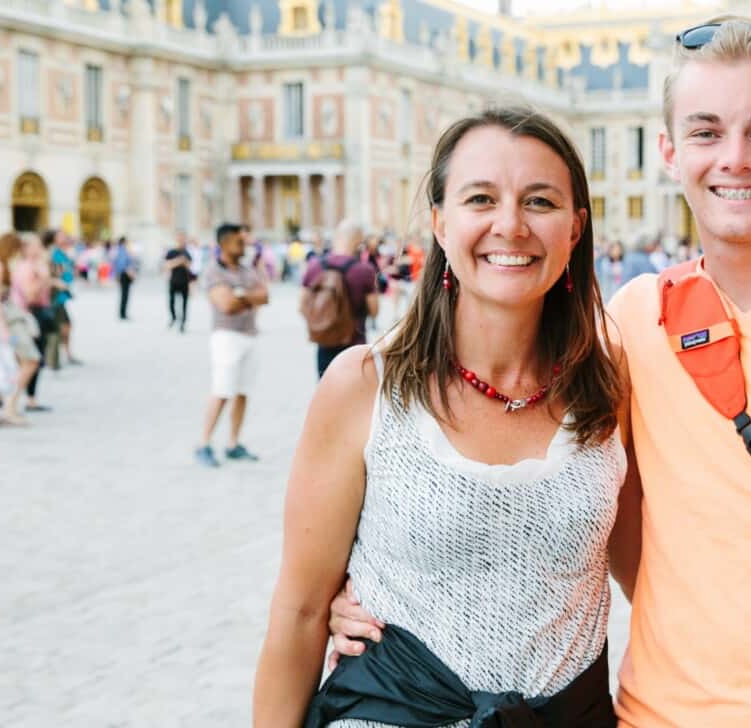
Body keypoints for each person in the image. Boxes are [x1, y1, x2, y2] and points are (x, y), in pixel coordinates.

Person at [329, 19, 751, 726]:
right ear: (671, 153)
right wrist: (372, 594)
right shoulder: (636, 321)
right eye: (706, 132)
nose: (735, 158)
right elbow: (540, 483)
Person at [254, 107, 625, 727]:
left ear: (576, 228)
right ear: (440, 223)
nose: (511, 225)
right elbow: (299, 613)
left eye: (540, 201)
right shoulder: (363, 385)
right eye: (481, 198)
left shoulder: (611, 388)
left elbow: (662, 570)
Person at [195, 224, 269, 467]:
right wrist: (248, 297)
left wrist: (239, 296)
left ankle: (233, 443)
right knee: (222, 390)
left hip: (249, 335)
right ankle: (204, 443)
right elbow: (226, 305)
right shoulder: (213, 271)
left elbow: (265, 296)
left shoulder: (247, 270)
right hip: (226, 336)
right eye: (239, 242)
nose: (244, 245)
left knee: (242, 391)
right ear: (225, 243)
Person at [300, 219, 380, 378]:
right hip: (354, 345)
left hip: (324, 342)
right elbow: (374, 310)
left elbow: (302, 305)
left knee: (325, 386)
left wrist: (323, 322)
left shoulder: (315, 265)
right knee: (355, 390)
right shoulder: (365, 270)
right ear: (359, 242)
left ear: (336, 238)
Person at [0, 232, 41, 427]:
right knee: (27, 359)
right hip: (5, 320)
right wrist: (2, 328)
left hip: (5, 319)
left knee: (3, 364)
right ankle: (8, 408)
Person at [13, 233, 54, 412]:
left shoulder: (30, 265)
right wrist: (44, 279)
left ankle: (27, 398)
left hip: (34, 314)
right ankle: (17, 399)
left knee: (31, 359)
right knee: (32, 359)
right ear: (26, 248)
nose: (40, 249)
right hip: (32, 314)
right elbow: (29, 295)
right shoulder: (27, 267)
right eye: (37, 245)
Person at [49, 230, 82, 368]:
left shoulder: (63, 253)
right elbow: (54, 272)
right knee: (61, 326)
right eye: (61, 236)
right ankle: (55, 357)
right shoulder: (52, 253)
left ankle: (64, 354)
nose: (65, 238)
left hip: (62, 295)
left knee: (65, 325)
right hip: (55, 296)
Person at [164, 232, 195, 332]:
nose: (181, 241)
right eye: (179, 239)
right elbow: (167, 266)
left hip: (184, 281)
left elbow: (190, 266)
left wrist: (185, 262)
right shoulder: (171, 252)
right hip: (173, 281)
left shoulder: (187, 253)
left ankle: (183, 323)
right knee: (172, 302)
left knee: (184, 303)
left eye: (183, 239)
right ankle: (173, 317)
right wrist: (179, 261)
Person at [113, 236, 138, 320]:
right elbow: (122, 264)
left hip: (122, 274)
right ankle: (123, 314)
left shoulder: (119, 250)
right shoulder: (123, 251)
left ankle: (122, 313)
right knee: (125, 295)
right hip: (125, 274)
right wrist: (129, 272)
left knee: (124, 294)